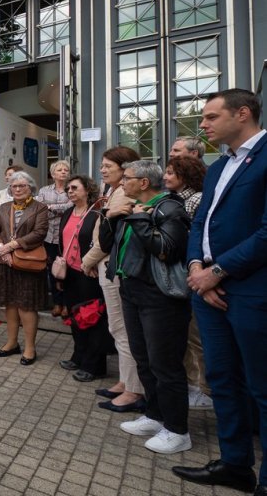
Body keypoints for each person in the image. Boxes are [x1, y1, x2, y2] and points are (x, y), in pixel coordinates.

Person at [173, 89, 267, 494]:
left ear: (242, 114)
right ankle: (235, 465)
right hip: (207, 288)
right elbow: (201, 224)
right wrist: (197, 268)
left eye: (211, 117)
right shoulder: (216, 166)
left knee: (261, 386)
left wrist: (220, 272)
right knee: (223, 378)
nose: (203, 125)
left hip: (250, 290)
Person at [104, 160, 192, 454]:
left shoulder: (170, 208)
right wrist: (113, 216)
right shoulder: (132, 209)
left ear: (143, 183)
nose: (121, 183)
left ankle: (178, 430)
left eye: (127, 178)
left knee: (165, 364)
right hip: (132, 289)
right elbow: (112, 244)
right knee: (143, 358)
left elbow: (167, 249)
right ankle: (155, 416)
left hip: (159, 296)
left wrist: (140, 219)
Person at [81, 146, 145, 413]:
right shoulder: (112, 191)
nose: (102, 170)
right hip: (107, 266)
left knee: (123, 329)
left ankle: (134, 390)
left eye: (108, 165)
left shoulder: (123, 194)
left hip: (114, 267)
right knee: (118, 329)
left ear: (125, 167)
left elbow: (108, 236)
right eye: (102, 165)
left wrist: (88, 260)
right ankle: (125, 381)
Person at [163, 155, 210, 410]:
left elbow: (194, 236)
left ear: (185, 174)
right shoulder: (175, 199)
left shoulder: (195, 199)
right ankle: (192, 383)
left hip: (191, 271)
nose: (166, 176)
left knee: (194, 336)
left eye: (171, 172)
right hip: (180, 271)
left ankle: (203, 389)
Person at [0, 170, 49, 365]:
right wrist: (0, 247)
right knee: (10, 304)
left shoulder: (39, 208)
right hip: (5, 262)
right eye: (14, 186)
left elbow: (40, 232)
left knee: (26, 305)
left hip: (27, 262)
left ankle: (30, 348)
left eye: (22, 185)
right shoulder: (5, 207)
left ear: (30, 187)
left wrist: (12, 245)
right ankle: (11, 343)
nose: (17, 189)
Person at [57, 174, 111, 382]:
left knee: (92, 318)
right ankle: (78, 356)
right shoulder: (69, 212)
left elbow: (101, 244)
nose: (70, 191)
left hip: (89, 273)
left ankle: (94, 365)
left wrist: (90, 264)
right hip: (69, 272)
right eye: (68, 189)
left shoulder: (96, 213)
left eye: (74, 188)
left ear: (87, 190)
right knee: (74, 317)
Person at [37, 160, 72, 317]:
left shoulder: (72, 189)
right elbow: (40, 209)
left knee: (68, 271)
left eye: (66, 169)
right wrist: (56, 209)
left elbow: (70, 207)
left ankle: (67, 304)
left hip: (67, 236)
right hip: (48, 236)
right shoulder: (44, 190)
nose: (63, 172)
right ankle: (57, 303)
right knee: (53, 271)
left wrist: (51, 207)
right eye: (60, 169)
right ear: (53, 174)